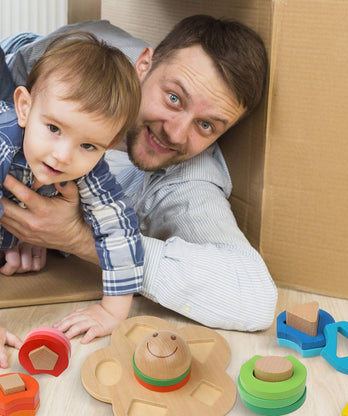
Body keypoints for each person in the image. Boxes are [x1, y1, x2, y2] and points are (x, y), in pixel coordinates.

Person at [0, 16, 278, 361]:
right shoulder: (90, 54)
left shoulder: (188, 180)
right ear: (143, 65)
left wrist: (74, 237)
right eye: (174, 98)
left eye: (206, 125)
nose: (176, 133)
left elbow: (255, 298)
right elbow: (17, 73)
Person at [0, 31, 145, 367]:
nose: (63, 156)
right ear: (24, 107)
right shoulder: (5, 142)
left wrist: (112, 309)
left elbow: (120, 228)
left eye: (89, 145)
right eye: (53, 128)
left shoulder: (89, 167)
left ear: (108, 146)